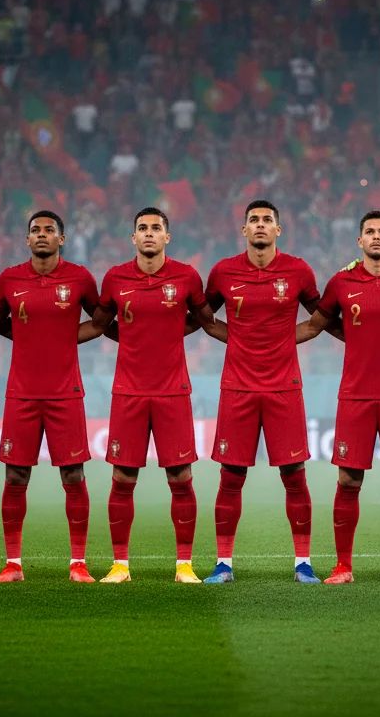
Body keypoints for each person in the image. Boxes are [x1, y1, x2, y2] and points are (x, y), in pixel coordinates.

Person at [80, 207, 225, 583]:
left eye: (155, 228)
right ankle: (120, 566)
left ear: (166, 237)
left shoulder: (187, 277)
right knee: (122, 478)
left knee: (181, 477)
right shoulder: (115, 278)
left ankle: (184, 566)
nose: (148, 234)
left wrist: (255, 339)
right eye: (142, 228)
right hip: (128, 392)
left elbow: (205, 321)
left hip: (173, 392)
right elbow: (98, 325)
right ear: (133, 238)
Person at [296, 210, 380, 584]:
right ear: (359, 241)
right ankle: (343, 567)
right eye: (370, 232)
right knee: (348, 481)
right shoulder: (341, 282)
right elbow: (315, 325)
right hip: (355, 395)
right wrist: (262, 339)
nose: (376, 237)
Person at [0, 211, 100, 583]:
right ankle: (13, 565)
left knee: (73, 475)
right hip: (22, 394)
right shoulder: (9, 279)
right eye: (35, 231)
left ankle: (78, 564)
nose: (41, 235)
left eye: (49, 230)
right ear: (26, 240)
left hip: (66, 393)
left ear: (62, 239)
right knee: (15, 476)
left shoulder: (81, 278)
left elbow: (103, 320)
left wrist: (66, 338)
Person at [202, 200, 324, 584]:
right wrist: (238, 339)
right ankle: (224, 564)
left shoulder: (299, 271)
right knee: (230, 476)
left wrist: (287, 341)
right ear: (244, 230)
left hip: (283, 387)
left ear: (278, 230)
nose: (259, 225)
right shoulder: (223, 272)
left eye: (267, 220)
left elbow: (319, 318)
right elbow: (205, 319)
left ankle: (303, 563)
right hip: (237, 386)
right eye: (253, 220)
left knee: (294, 474)